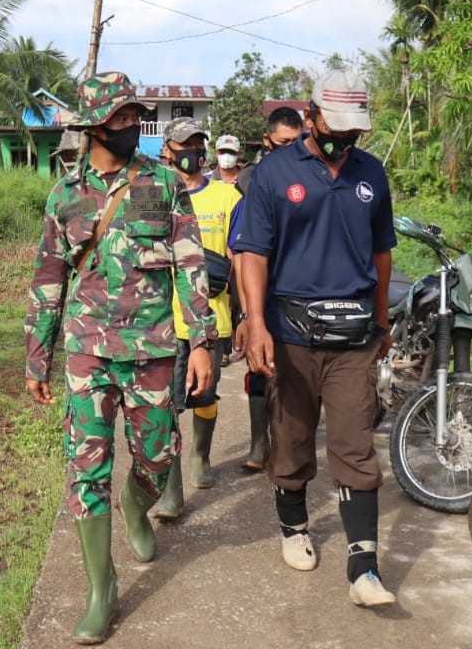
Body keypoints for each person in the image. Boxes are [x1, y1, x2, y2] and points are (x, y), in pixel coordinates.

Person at [24, 72, 217, 644]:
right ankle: (99, 590)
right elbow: (48, 278)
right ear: (94, 127)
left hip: (152, 349)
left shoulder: (162, 182)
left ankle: (138, 508)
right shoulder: (65, 194)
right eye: (121, 118)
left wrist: (202, 340)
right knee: (89, 469)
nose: (133, 125)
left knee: (158, 456)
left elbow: (190, 263)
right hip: (87, 354)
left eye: (136, 116)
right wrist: (38, 357)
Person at [234, 69, 399, 609]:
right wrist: (255, 322)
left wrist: (382, 322)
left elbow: (382, 254)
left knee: (355, 443)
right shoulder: (274, 174)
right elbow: (252, 252)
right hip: (291, 333)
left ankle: (364, 567)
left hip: (353, 336)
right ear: (311, 116)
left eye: (356, 129)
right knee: (293, 438)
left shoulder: (371, 173)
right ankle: (294, 528)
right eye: (337, 125)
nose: (346, 138)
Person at [151, 118, 242, 519]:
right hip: (163, 323)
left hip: (213, 319)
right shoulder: (152, 196)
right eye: (184, 144)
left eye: (198, 144)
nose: (194, 152)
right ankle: (172, 492)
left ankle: (201, 456)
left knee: (205, 395)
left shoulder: (228, 196)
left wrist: (244, 315)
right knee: (166, 404)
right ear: (167, 150)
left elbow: (242, 260)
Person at [228, 106, 304, 471]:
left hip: (301, 299)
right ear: (267, 141)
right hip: (263, 299)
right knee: (261, 371)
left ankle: (288, 444)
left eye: (298, 141)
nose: (292, 149)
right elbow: (241, 256)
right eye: (284, 142)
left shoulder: (313, 181)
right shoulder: (253, 189)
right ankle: (261, 445)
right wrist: (247, 314)